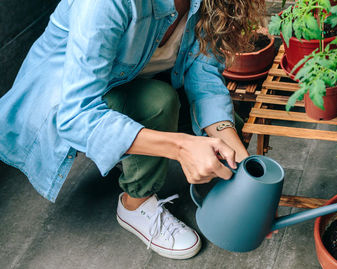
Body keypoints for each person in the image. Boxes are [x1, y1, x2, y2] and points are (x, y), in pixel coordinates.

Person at [0, 0, 265, 259]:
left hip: (131, 78)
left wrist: (242, 164)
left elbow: (204, 71)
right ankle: (135, 205)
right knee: (159, 103)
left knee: (229, 133)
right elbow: (76, 116)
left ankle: (129, 150)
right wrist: (181, 147)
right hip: (66, 100)